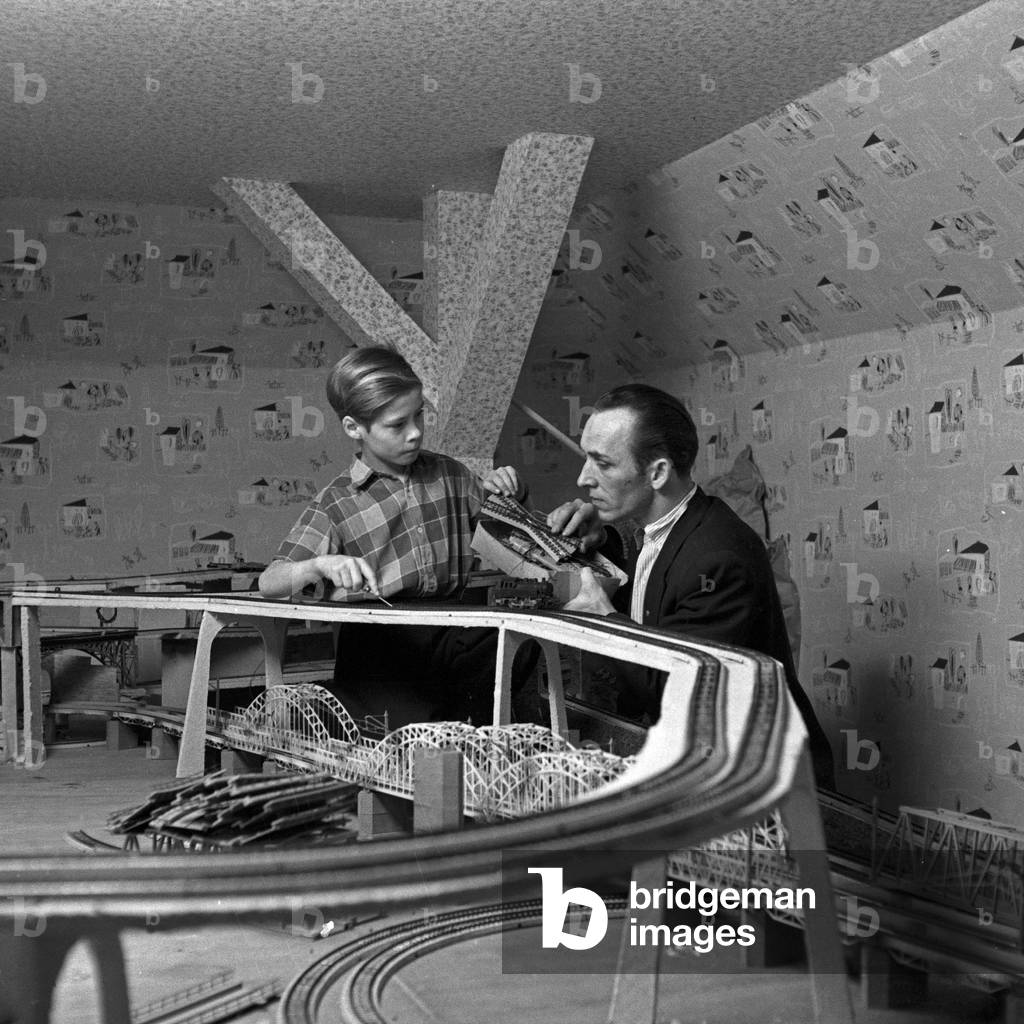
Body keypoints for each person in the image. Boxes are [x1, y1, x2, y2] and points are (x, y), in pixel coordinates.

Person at [547, 383, 834, 788]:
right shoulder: (661, 528)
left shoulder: (720, 556)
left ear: (658, 473)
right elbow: (657, 599)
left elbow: (677, 693)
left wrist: (604, 621)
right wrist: (603, 542)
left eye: (603, 464)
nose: (583, 479)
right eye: (586, 458)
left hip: (766, 782)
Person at [259, 345, 529, 726]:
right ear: (354, 428)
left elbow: (511, 534)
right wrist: (319, 565)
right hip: (380, 646)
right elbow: (269, 582)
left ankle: (464, 733)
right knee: (405, 740)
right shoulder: (337, 502)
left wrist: (511, 493)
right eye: (397, 425)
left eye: (419, 415)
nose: (415, 433)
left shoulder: (452, 475)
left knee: (519, 640)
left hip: (452, 629)